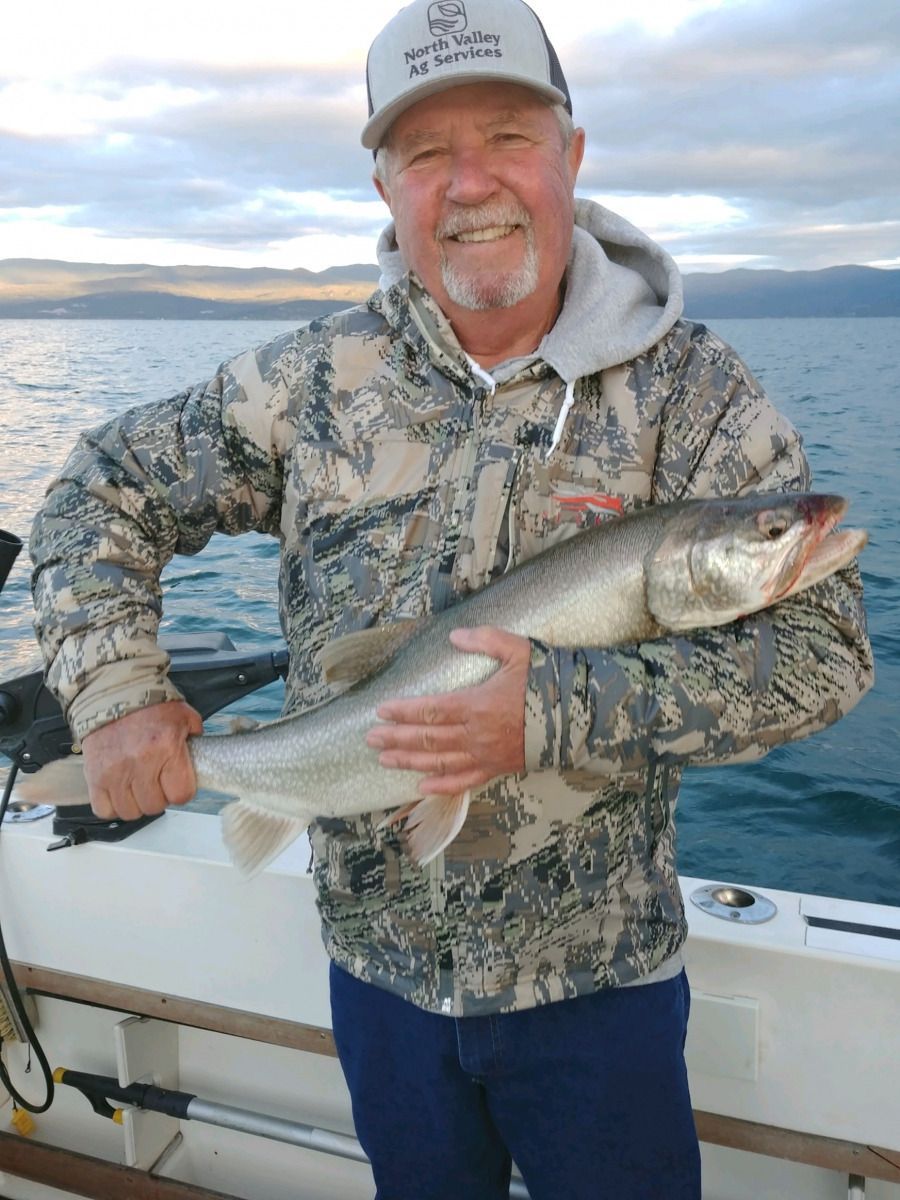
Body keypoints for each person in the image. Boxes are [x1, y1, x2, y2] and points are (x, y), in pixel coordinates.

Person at [30, 0, 873, 1196]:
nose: (470, 182)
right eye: (427, 152)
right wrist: (117, 693)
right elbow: (98, 488)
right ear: (385, 186)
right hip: (378, 987)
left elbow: (826, 655)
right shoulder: (312, 381)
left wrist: (550, 710)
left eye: (509, 137)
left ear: (572, 155)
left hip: (600, 992)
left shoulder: (695, 396)